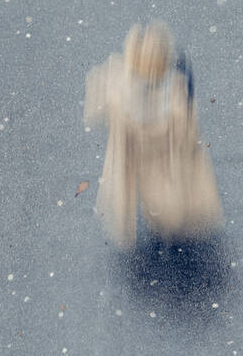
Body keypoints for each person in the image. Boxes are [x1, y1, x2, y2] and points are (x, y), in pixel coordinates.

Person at [84, 21, 223, 249]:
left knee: (157, 195)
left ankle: (165, 224)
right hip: (165, 152)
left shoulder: (118, 86)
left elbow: (98, 103)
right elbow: (186, 135)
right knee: (171, 191)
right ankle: (177, 224)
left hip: (140, 152)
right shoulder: (175, 92)